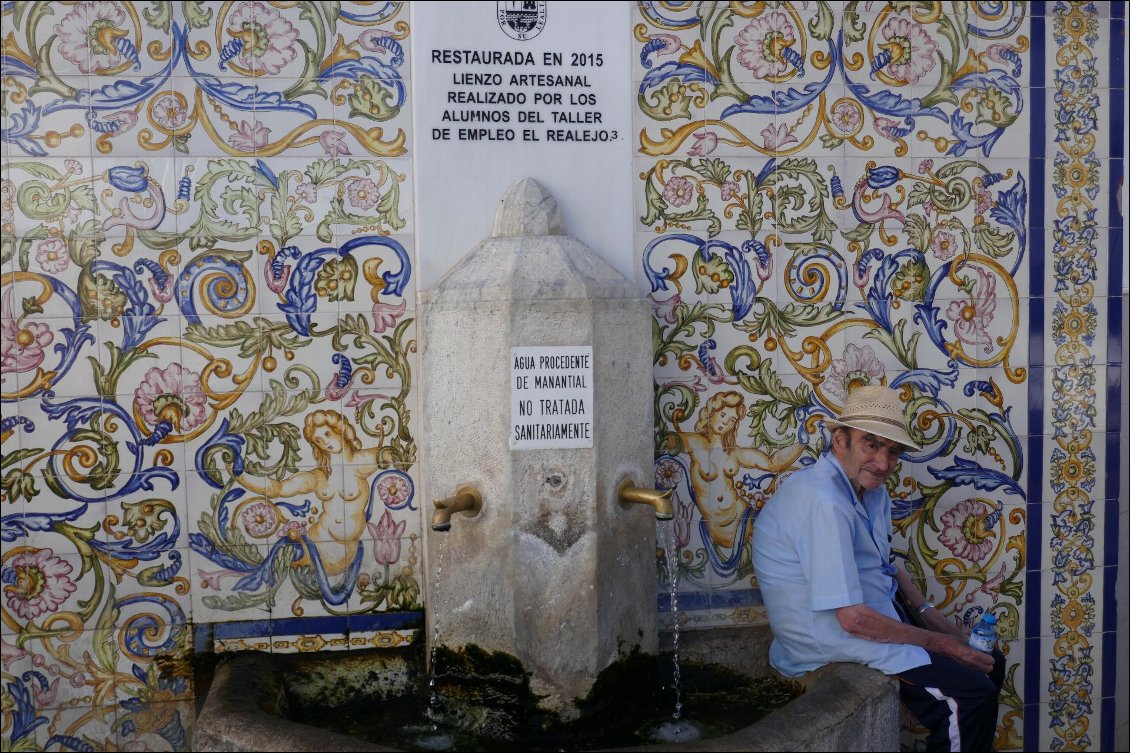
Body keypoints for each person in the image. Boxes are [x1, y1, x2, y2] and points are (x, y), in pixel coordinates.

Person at [752, 385, 1005, 751]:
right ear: (841, 441)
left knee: (988, 662)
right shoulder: (825, 502)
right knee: (970, 698)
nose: (884, 463)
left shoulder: (870, 490)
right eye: (871, 444)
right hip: (829, 638)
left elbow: (885, 568)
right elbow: (853, 620)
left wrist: (940, 624)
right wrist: (945, 646)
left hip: (872, 613)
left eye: (893, 451)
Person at [232, 408, 389, 577]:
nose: (325, 442)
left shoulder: (360, 463)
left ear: (340, 430)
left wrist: (393, 455)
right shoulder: (319, 476)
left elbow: (386, 455)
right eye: (319, 440)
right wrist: (241, 476)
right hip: (312, 544)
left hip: (341, 553)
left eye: (328, 434)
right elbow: (279, 489)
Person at [676, 390, 802, 574]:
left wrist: (802, 444)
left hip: (744, 520)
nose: (725, 422)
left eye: (732, 420)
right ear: (711, 413)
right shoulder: (695, 444)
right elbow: (670, 442)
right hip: (715, 528)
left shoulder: (734, 453)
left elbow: (771, 463)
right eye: (723, 415)